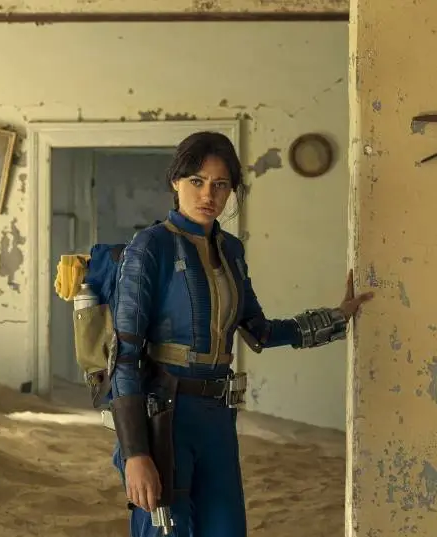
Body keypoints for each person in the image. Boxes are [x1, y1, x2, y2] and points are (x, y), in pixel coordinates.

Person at [108, 131, 374, 537]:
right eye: (196, 181)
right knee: (167, 531)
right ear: (175, 182)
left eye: (220, 184)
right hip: (166, 414)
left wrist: (336, 318)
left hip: (218, 416)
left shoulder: (231, 250)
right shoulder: (149, 247)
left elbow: (260, 330)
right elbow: (124, 356)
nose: (208, 194)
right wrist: (135, 454)